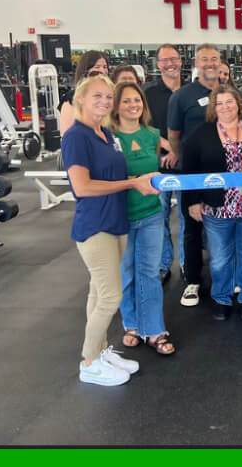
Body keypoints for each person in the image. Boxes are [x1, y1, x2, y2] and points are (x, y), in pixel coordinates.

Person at [61, 74, 158, 386]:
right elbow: (82, 186)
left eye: (107, 97)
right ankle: (89, 362)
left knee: (97, 293)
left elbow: (124, 171)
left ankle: (100, 352)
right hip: (95, 226)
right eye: (97, 96)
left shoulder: (106, 134)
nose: (104, 101)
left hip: (117, 223)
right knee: (110, 297)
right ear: (81, 100)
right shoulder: (77, 136)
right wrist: (132, 183)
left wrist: (146, 175)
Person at [181, 84, 242, 321]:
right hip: (217, 206)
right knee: (219, 258)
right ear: (214, 108)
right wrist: (193, 201)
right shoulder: (201, 133)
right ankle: (222, 297)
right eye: (220, 103)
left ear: (239, 103)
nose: (225, 107)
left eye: (230, 102)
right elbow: (190, 170)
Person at [110, 80, 175, 355]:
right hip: (121, 217)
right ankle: (132, 324)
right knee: (126, 273)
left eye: (137, 101)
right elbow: (106, 176)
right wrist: (134, 180)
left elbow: (164, 161)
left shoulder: (151, 135)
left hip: (150, 214)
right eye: (126, 101)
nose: (133, 105)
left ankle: (154, 329)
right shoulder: (108, 137)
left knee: (148, 272)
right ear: (116, 106)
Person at [166, 43, 223, 308]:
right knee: (192, 226)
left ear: (221, 62)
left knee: (229, 224)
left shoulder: (229, 93)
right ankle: (192, 281)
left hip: (227, 171)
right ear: (196, 63)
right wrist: (184, 159)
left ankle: (227, 276)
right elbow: (174, 136)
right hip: (193, 173)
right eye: (205, 59)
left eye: (214, 59)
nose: (210, 63)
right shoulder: (182, 96)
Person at [144, 44, 183, 282]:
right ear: (158, 65)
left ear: (180, 62)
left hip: (187, 166)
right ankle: (163, 263)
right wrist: (168, 147)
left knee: (190, 220)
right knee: (159, 218)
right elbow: (143, 126)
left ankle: (189, 267)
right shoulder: (148, 94)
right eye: (165, 60)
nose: (170, 63)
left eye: (174, 59)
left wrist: (178, 150)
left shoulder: (191, 91)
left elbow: (196, 127)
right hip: (157, 165)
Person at [59, 50, 109, 136]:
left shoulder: (107, 96)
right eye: (97, 67)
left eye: (105, 67)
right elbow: (67, 134)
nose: (102, 71)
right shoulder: (72, 98)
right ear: (85, 70)